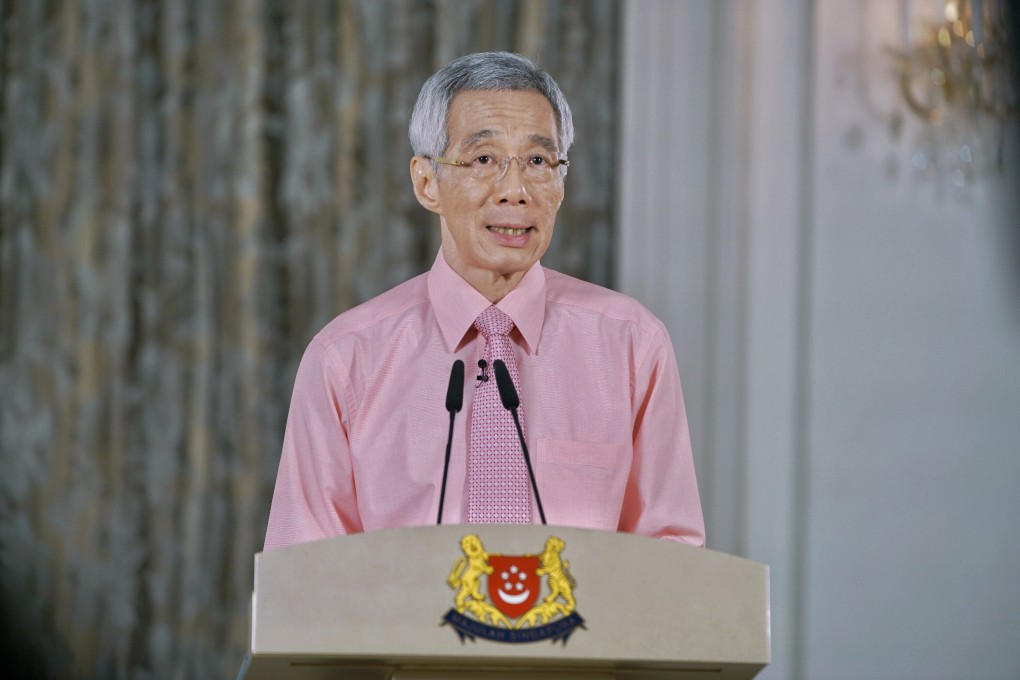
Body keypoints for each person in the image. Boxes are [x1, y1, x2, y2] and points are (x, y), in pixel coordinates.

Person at [263, 52, 704, 550]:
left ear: (561, 182)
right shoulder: (346, 359)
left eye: (538, 161)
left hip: (578, 628)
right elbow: (305, 576)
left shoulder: (631, 345)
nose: (515, 191)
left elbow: (672, 562)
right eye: (484, 160)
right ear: (427, 183)